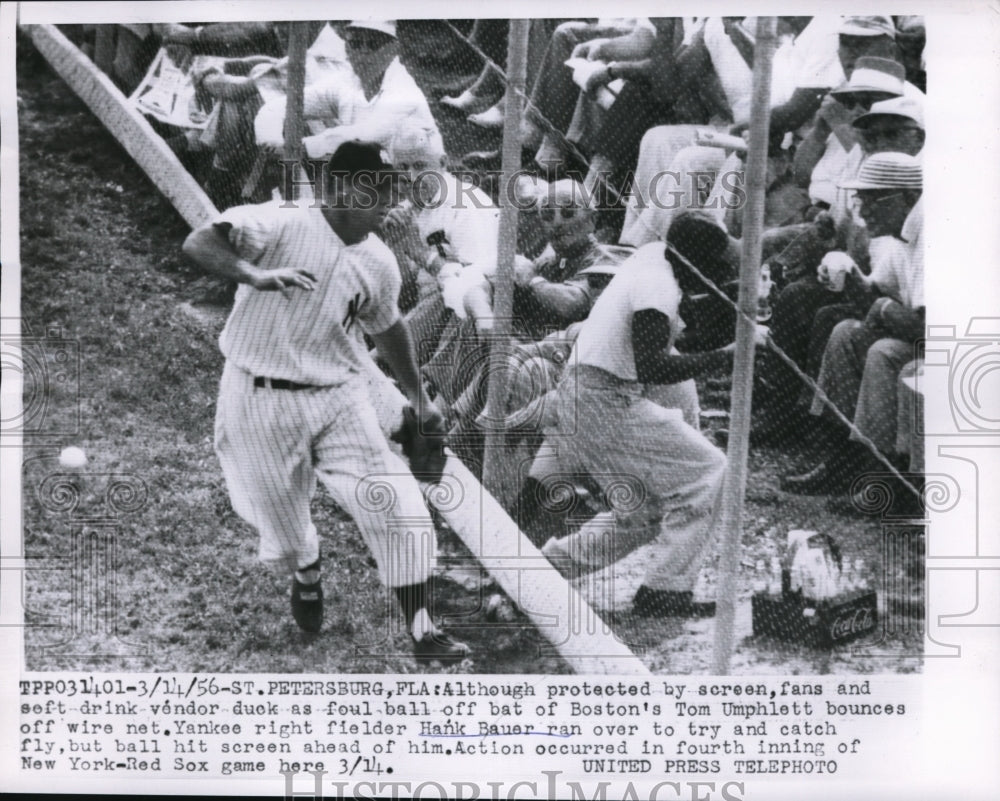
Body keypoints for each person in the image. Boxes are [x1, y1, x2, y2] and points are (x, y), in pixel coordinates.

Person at [181, 141, 470, 664]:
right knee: (285, 533)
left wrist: (419, 398)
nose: (387, 202)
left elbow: (388, 326)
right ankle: (307, 566)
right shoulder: (281, 222)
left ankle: (425, 631)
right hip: (257, 394)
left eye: (390, 189)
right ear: (336, 188)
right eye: (373, 189)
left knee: (396, 502)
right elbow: (200, 242)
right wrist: (253, 274)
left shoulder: (379, 261)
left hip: (339, 397)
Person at [537, 212, 767, 617]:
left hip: (591, 397)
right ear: (693, 260)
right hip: (602, 399)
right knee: (711, 472)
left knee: (641, 512)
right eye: (712, 265)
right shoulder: (656, 283)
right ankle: (666, 590)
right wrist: (730, 356)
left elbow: (674, 327)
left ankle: (541, 572)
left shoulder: (656, 257)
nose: (715, 274)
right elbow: (654, 367)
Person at [782, 153, 923, 495]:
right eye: (861, 200)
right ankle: (843, 464)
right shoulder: (900, 233)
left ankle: (886, 481)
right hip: (924, 341)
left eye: (873, 199)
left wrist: (884, 308)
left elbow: (929, 328)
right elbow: (875, 294)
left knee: (885, 352)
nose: (864, 210)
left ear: (907, 197)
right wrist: (845, 269)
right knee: (846, 332)